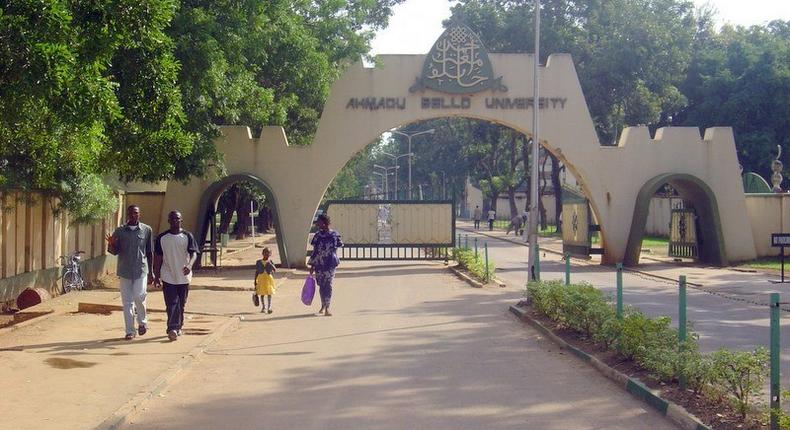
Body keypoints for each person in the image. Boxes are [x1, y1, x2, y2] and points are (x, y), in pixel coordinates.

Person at [106, 205, 153, 340]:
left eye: (136, 213)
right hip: (125, 271)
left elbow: (150, 252)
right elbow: (114, 252)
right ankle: (130, 331)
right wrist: (111, 244)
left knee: (139, 297)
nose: (133, 215)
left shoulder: (146, 230)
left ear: (139, 214)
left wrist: (153, 273)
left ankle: (142, 323)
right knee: (127, 302)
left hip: (141, 270)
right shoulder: (120, 231)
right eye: (131, 213)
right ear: (127, 214)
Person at [154, 211, 198, 342]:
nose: (175, 221)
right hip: (168, 275)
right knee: (171, 303)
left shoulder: (187, 236)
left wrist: (189, 266)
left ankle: (179, 326)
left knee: (181, 303)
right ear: (168, 221)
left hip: (183, 276)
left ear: (181, 220)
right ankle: (172, 328)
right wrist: (156, 276)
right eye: (172, 219)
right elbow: (158, 257)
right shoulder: (162, 238)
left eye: (177, 219)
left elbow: (194, 253)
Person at [309, 213, 343, 316]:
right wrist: (312, 265)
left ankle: (327, 307)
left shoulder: (334, 235)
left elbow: (338, 245)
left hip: (330, 264)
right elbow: (315, 251)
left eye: (319, 222)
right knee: (321, 285)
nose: (317, 225)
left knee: (328, 284)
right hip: (319, 263)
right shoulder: (317, 236)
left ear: (324, 223)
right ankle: (323, 304)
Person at [254, 247, 276, 314]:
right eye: (265, 253)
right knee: (262, 293)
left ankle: (269, 307)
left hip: (268, 279)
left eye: (268, 253)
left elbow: (275, 270)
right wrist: (255, 280)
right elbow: (257, 271)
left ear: (270, 254)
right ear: (262, 253)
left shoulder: (270, 262)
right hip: (261, 278)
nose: (267, 254)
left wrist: (271, 264)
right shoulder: (258, 262)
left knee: (269, 293)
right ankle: (263, 307)